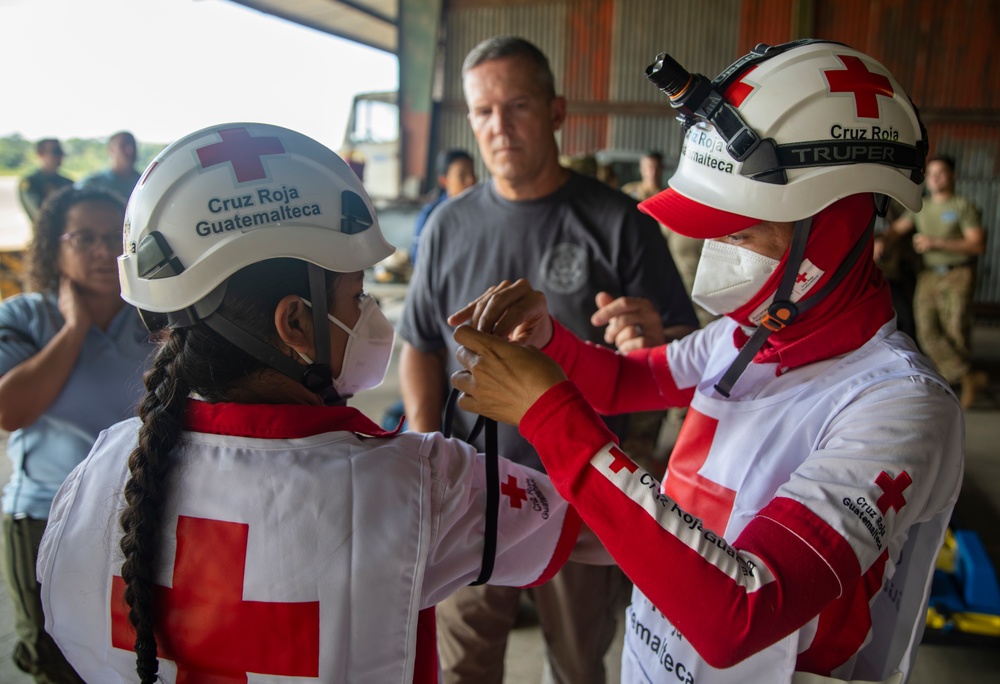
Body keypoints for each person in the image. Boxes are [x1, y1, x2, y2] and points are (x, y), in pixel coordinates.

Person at [449, 40, 963, 684]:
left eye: (738, 232)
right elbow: (626, 381)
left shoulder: (898, 407)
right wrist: (549, 342)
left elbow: (738, 613)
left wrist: (546, 412)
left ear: (829, 232)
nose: (717, 255)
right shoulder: (749, 335)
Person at [35, 122, 609, 684]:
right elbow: (613, 526)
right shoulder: (421, 485)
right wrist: (550, 398)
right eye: (356, 294)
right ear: (296, 323)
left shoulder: (97, 476)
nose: (369, 313)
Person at [398, 36, 698, 684]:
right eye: (482, 112)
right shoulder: (448, 225)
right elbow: (420, 340)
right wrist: (427, 446)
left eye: (519, 106)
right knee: (461, 666)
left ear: (558, 112)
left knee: (576, 664)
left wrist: (654, 341)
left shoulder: (621, 223)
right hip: (472, 494)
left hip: (584, 493)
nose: (498, 127)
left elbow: (682, 350)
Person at [0, 185, 154, 683]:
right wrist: (72, 330)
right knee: (54, 662)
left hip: (137, 515)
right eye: (82, 237)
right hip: (43, 517)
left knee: (133, 657)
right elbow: (8, 411)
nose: (98, 250)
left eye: (113, 237)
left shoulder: (155, 321)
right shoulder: (25, 317)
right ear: (53, 246)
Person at [887, 154, 987, 407]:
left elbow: (977, 244)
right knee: (927, 331)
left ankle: (954, 387)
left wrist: (936, 242)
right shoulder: (922, 206)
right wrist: (880, 243)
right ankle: (966, 376)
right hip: (930, 274)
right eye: (930, 174)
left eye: (940, 173)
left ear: (952, 176)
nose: (935, 178)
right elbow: (896, 230)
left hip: (958, 273)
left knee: (956, 331)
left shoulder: (962, 206)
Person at [411, 148, 476, 265]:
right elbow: (418, 258)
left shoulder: (481, 211)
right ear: (444, 180)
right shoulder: (430, 215)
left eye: (472, 173)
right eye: (462, 176)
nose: (471, 180)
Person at [18, 139, 74, 224]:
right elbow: (39, 213)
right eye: (55, 152)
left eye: (61, 153)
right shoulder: (31, 182)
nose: (60, 156)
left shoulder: (68, 182)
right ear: (40, 154)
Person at [77, 130, 142, 203]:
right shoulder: (91, 185)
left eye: (132, 146)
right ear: (111, 150)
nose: (130, 150)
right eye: (124, 146)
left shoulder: (145, 183)